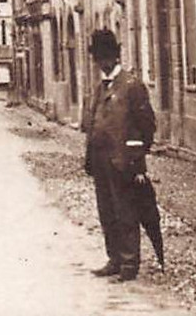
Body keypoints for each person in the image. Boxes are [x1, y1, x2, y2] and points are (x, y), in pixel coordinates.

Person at [81, 28, 156, 282]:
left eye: (104, 58)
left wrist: (135, 159)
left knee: (126, 211)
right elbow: (92, 122)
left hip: (123, 161)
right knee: (107, 211)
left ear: (114, 56)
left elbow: (147, 125)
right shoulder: (99, 87)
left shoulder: (132, 86)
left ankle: (129, 263)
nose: (101, 63)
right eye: (97, 59)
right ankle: (114, 258)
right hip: (101, 160)